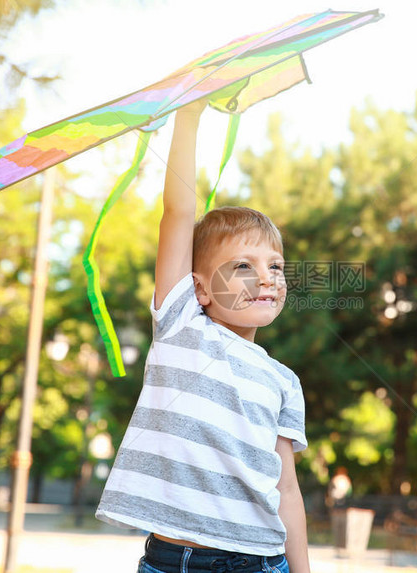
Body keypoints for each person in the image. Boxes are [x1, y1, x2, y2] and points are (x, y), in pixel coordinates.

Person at [96, 99, 310, 573]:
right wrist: (189, 115)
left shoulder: (282, 381)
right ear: (200, 289)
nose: (267, 278)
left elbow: (288, 491)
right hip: (173, 562)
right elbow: (178, 211)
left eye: (274, 266)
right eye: (243, 267)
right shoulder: (181, 327)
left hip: (259, 562)